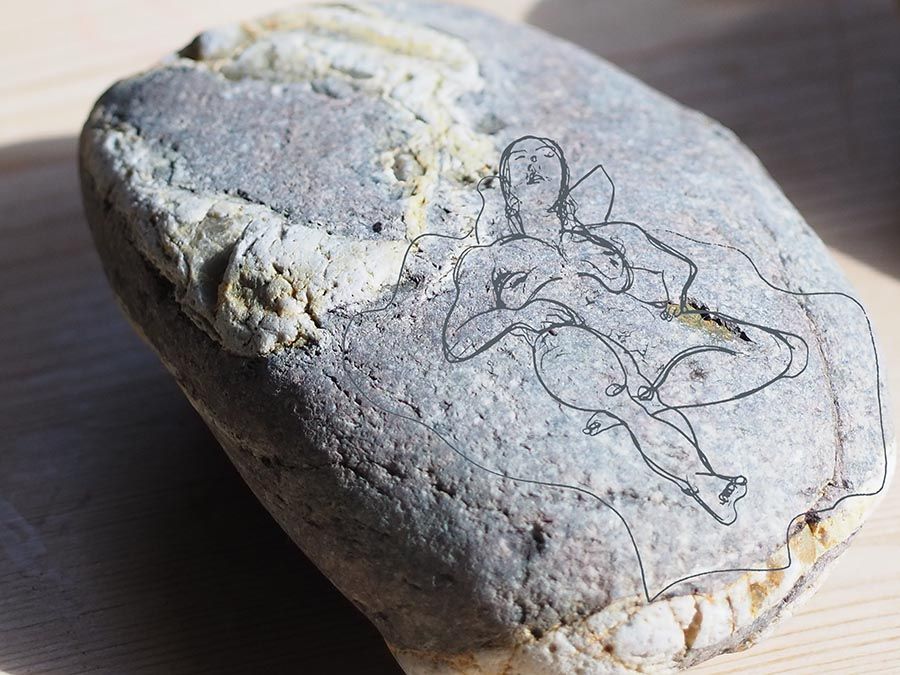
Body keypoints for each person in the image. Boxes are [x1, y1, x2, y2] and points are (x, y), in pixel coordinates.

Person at [442, 136, 808, 525]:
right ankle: (697, 473)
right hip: (579, 359)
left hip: (650, 341)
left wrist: (672, 304)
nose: (535, 164)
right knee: (625, 395)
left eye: (547, 157)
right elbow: (457, 340)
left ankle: (649, 402)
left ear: (565, 177)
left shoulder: (613, 235)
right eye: (521, 159)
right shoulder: (489, 259)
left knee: (782, 352)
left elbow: (676, 269)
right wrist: (519, 315)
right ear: (507, 186)